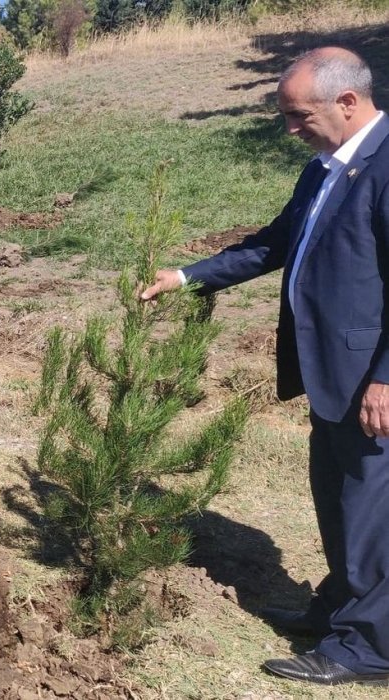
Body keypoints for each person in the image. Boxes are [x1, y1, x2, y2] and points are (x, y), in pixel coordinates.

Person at [141, 47, 389, 686]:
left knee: (371, 512)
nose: (290, 128)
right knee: (336, 500)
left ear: (348, 102)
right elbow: (274, 245)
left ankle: (367, 648)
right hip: (331, 373)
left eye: (299, 114)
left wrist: (387, 377)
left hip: (372, 379)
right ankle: (339, 608)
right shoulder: (323, 170)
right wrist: (189, 276)